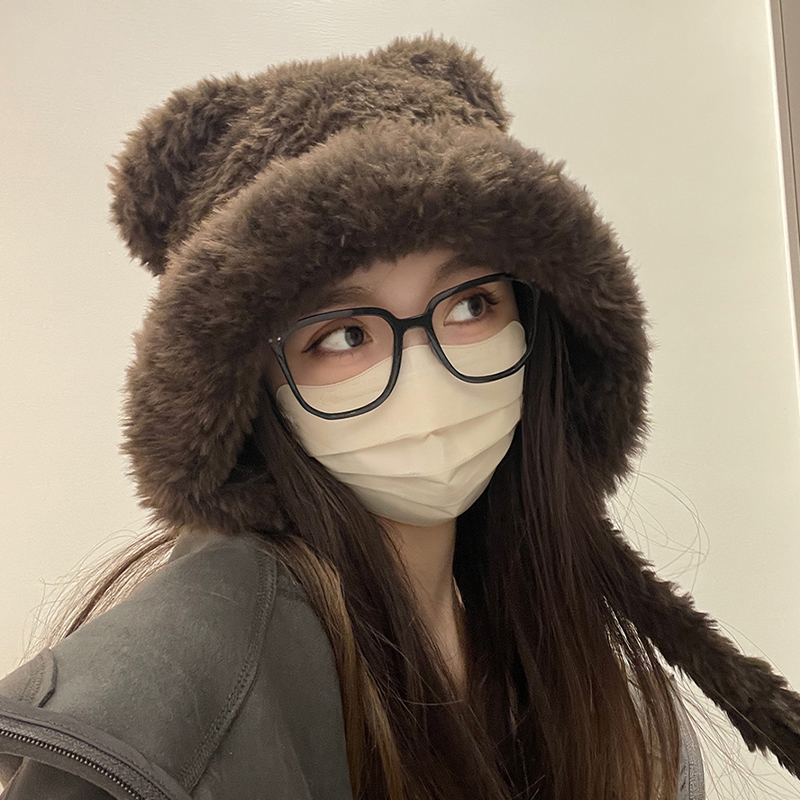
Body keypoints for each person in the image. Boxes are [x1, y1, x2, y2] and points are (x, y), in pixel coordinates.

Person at [0, 33, 798, 800]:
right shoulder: (164, 740)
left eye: (472, 303)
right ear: (253, 389)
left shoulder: (611, 701)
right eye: (344, 334)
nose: (426, 377)